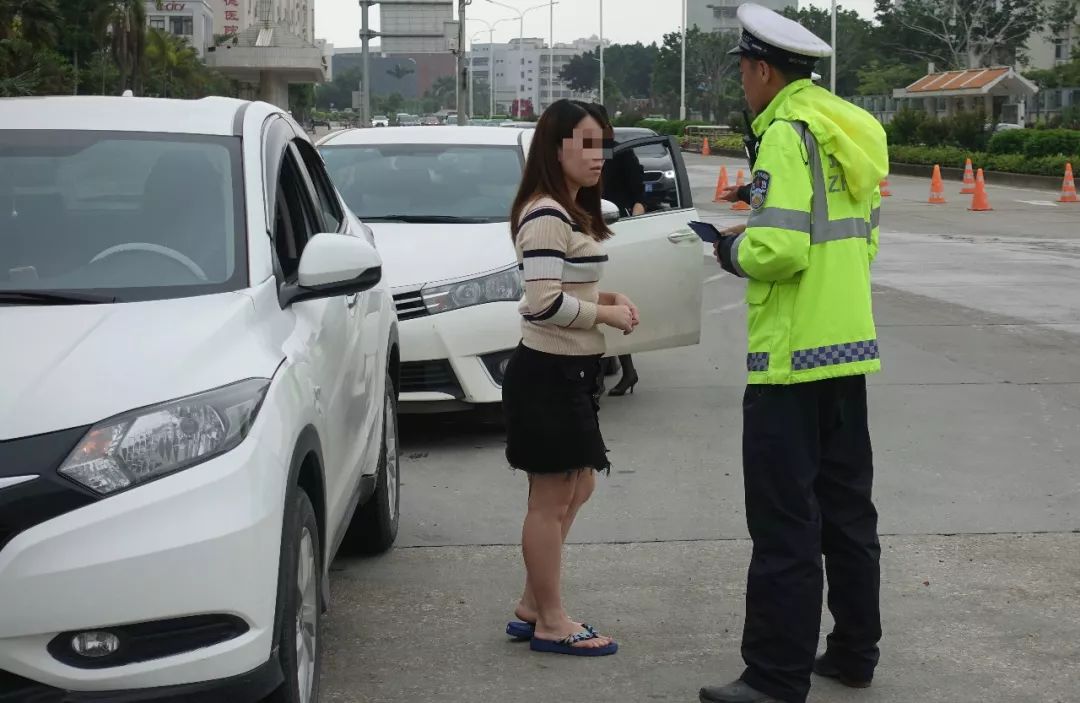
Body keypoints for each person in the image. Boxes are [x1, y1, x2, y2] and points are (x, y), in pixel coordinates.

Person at [700, 4, 888, 703]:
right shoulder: (847, 131)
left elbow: (779, 248)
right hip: (846, 349)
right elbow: (861, 236)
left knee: (784, 520)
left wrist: (727, 246)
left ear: (762, 69)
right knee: (848, 512)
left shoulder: (784, 132)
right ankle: (853, 650)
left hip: (790, 360)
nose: (743, 87)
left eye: (744, 74)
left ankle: (773, 677)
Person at [500, 99, 639, 657]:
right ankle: (550, 620)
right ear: (553, 148)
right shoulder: (545, 216)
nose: (598, 154)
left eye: (602, 142)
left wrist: (607, 298)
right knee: (551, 498)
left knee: (576, 486)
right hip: (548, 374)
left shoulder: (572, 212)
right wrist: (602, 314)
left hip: (572, 371)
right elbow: (540, 305)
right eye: (584, 141)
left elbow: (567, 289)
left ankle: (534, 604)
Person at [596, 105, 644, 397]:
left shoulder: (621, 152)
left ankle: (624, 370)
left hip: (618, 230)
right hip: (590, 232)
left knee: (609, 300)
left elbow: (639, 194)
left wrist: (635, 225)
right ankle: (622, 370)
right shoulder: (579, 153)